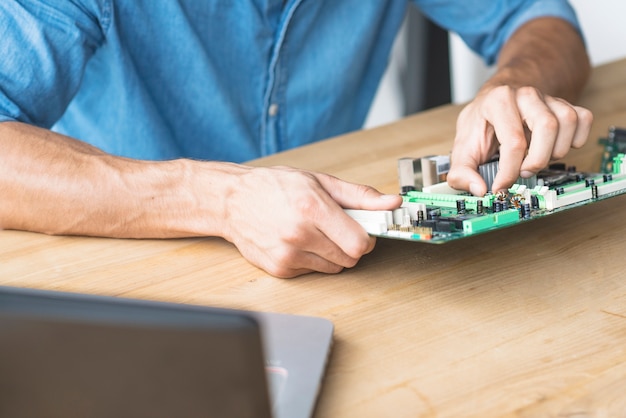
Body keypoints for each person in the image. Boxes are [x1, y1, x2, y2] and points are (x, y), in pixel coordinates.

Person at [0, 1, 592, 278]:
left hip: (343, 270)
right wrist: (219, 198)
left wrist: (517, 84)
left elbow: (539, 19)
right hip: (127, 269)